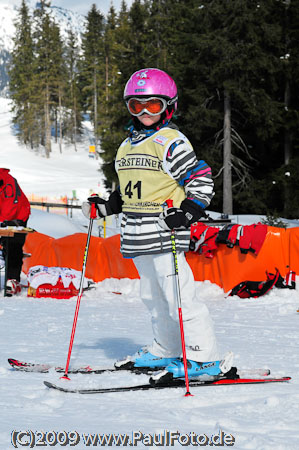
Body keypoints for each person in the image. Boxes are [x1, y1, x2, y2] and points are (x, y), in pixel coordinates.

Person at [83, 68, 232, 380]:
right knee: (151, 297)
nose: (145, 112)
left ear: (169, 106)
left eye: (153, 105)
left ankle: (205, 358)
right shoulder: (126, 146)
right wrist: (106, 207)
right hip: (137, 237)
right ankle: (165, 348)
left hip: (166, 234)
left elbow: (201, 179)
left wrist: (189, 211)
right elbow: (127, 191)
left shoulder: (171, 141)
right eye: (136, 106)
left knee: (180, 297)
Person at [0, 168, 31, 296]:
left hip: (18, 217)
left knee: (13, 247)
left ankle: (12, 281)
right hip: (4, 218)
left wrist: (2, 222)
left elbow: (10, 208)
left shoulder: (8, 182)